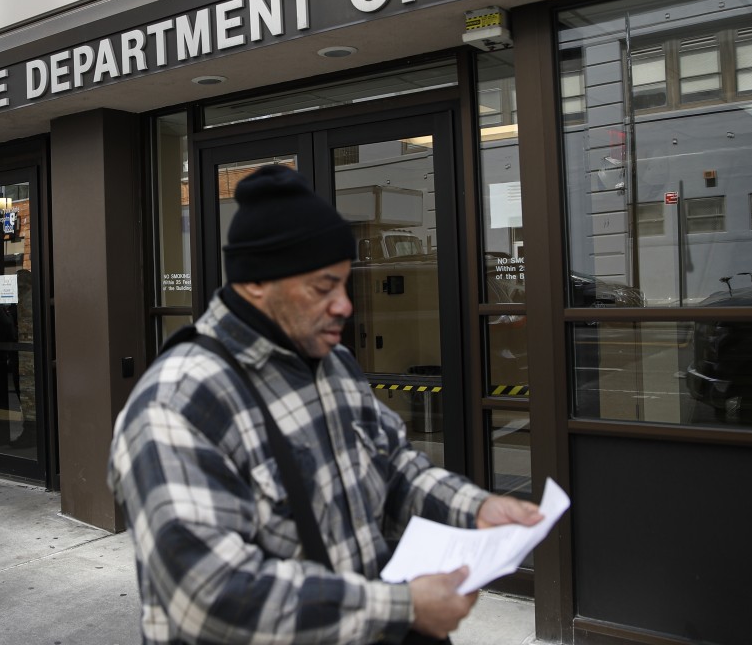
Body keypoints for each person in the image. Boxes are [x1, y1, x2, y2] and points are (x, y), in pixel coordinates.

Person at [108, 165, 542, 644]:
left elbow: (393, 468)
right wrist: (402, 608)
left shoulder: (331, 362)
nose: (345, 305)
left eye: (344, 283)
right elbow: (207, 595)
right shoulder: (177, 403)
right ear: (256, 283)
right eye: (323, 287)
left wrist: (475, 509)